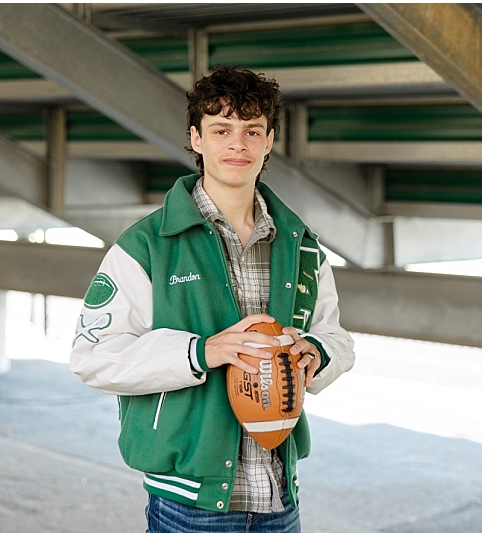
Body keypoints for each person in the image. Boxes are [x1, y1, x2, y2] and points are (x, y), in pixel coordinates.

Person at [69, 66, 355, 533]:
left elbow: (335, 336)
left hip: (279, 498)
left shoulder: (301, 244)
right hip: (189, 504)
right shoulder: (147, 245)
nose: (237, 144)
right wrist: (202, 352)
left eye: (251, 131)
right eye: (221, 129)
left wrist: (315, 353)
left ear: (269, 141)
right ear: (196, 139)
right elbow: (92, 356)